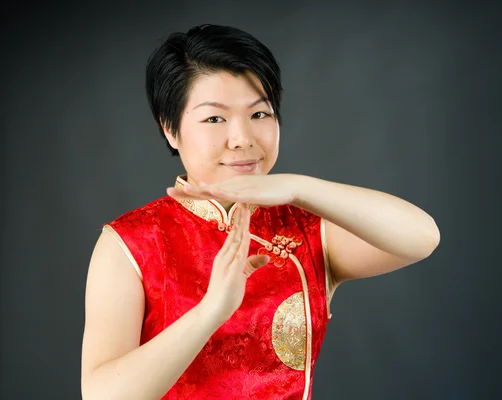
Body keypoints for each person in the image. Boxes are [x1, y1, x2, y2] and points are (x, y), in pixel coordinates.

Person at [80, 24, 440, 400]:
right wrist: (210, 313)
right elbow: (103, 395)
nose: (243, 138)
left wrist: (300, 188)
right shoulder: (130, 244)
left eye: (259, 114)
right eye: (214, 118)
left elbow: (421, 237)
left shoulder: (305, 228)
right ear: (170, 129)